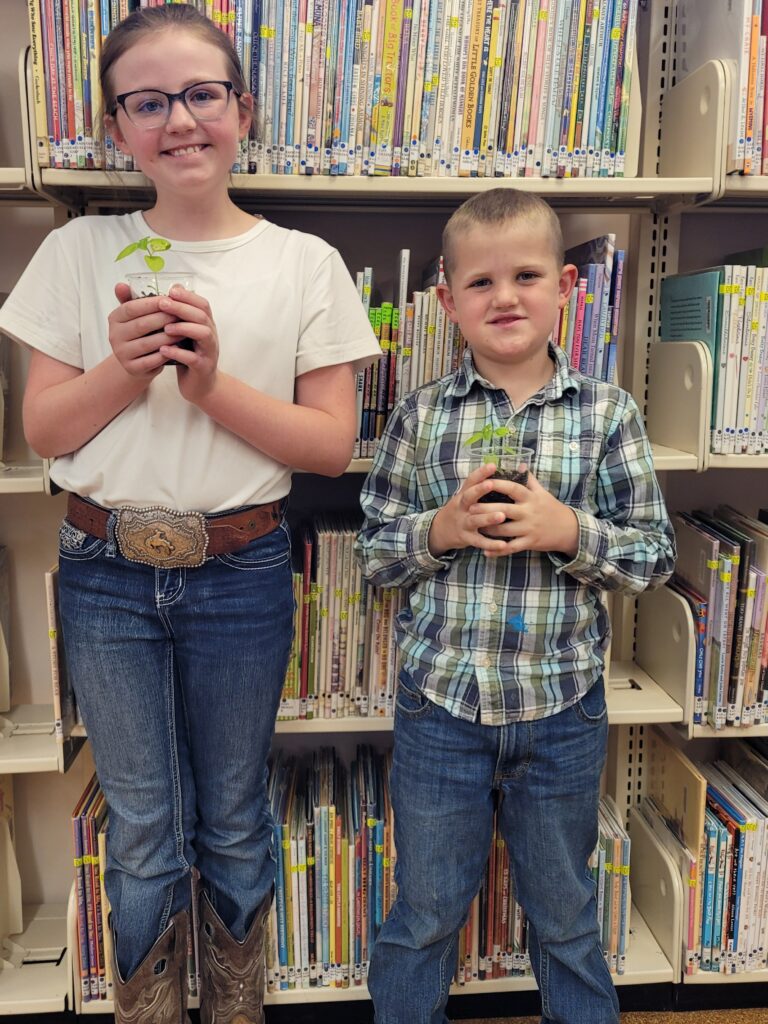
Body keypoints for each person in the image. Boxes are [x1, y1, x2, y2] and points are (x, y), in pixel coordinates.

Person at [0, 6, 379, 1023]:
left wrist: (211, 385)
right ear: (117, 127)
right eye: (148, 101)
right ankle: (150, 1010)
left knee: (236, 818)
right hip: (105, 569)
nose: (179, 120)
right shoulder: (79, 251)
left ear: (242, 110)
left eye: (202, 94)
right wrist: (125, 371)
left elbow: (330, 445)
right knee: (140, 823)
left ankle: (239, 1005)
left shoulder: (301, 263)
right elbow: (43, 427)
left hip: (242, 569)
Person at [355, 188, 675, 1024]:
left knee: (566, 916)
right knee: (424, 913)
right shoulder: (422, 417)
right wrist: (444, 527)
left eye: (527, 275)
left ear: (566, 285)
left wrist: (569, 530)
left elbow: (653, 556)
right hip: (442, 713)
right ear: (447, 298)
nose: (505, 297)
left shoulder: (609, 415)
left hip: (562, 713)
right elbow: (376, 554)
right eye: (481, 282)